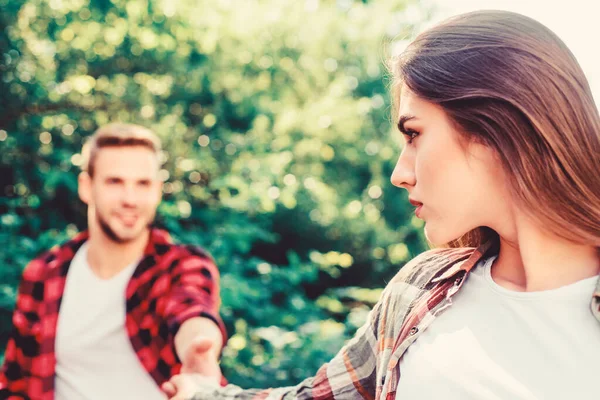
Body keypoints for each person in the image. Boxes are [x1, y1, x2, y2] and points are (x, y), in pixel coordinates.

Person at [163, 10, 600, 400]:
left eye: (413, 135)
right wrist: (203, 394)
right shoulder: (420, 290)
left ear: (493, 129)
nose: (399, 173)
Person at [0, 123, 228, 399]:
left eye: (142, 184)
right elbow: (16, 384)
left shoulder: (180, 265)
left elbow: (192, 309)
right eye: (115, 182)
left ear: (157, 190)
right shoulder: (44, 274)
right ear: (86, 187)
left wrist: (197, 353)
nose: (130, 199)